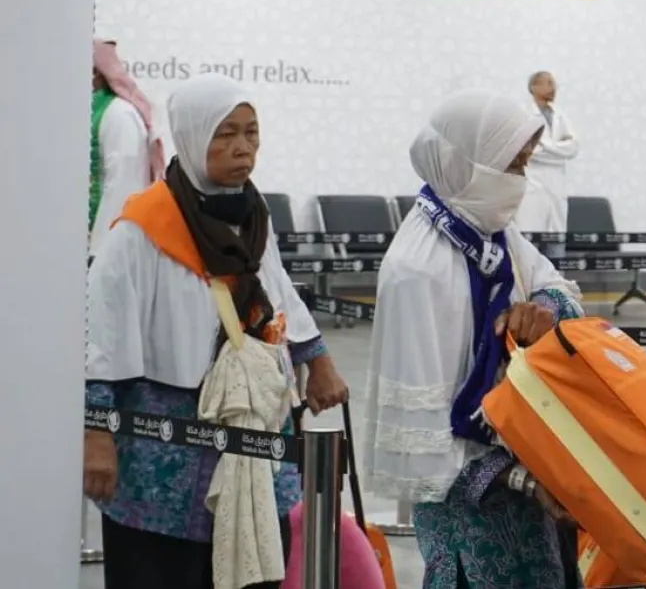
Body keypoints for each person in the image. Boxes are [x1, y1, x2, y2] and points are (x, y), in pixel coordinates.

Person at [83, 73, 349, 589]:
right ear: (192, 133)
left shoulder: (252, 214)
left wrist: (317, 359)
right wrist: (96, 432)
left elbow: (278, 290)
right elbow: (103, 334)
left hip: (252, 435)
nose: (242, 148)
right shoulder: (141, 228)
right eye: (225, 133)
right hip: (162, 460)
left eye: (251, 132)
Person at [364, 90, 586, 589]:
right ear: (466, 163)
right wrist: (524, 480)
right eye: (511, 166)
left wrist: (543, 311)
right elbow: (429, 438)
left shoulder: (491, 234)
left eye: (526, 165)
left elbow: (558, 286)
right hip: (470, 513)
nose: (521, 183)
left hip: (534, 487)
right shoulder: (416, 271)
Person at [90, 39, 166, 258]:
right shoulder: (81, 111)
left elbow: (122, 187)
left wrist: (98, 254)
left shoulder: (119, 114)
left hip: (104, 251)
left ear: (95, 72)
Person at [515, 71, 579, 239]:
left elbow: (573, 147)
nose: (554, 88)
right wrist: (559, 149)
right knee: (530, 238)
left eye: (554, 84)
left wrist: (545, 145)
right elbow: (529, 150)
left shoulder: (560, 115)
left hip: (557, 184)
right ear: (533, 87)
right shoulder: (524, 115)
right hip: (533, 184)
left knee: (557, 238)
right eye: (549, 83)